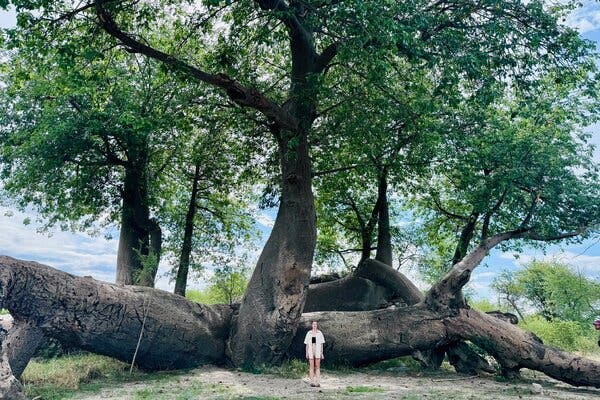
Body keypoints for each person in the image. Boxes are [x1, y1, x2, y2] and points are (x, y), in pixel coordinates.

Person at [304, 320, 325, 387]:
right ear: (312, 325)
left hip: (318, 350)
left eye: (316, 324)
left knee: (317, 367)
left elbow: (321, 344)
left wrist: (322, 353)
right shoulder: (309, 333)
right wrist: (306, 353)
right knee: (311, 367)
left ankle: (318, 382)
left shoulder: (320, 333)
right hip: (311, 350)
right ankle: (312, 382)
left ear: (317, 325)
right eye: (313, 324)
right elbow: (307, 344)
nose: (314, 325)